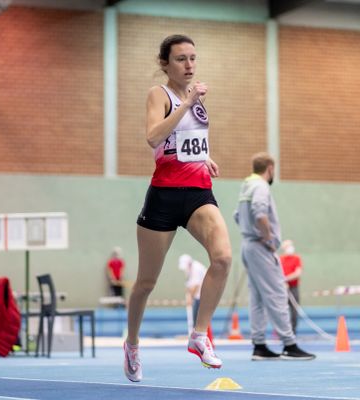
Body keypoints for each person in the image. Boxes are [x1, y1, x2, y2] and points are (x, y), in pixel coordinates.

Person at [124, 34, 232, 382]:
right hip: (164, 196)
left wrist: (205, 157)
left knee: (223, 258)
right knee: (146, 282)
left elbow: (184, 140)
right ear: (165, 64)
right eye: (182, 59)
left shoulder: (196, 99)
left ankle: (199, 336)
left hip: (198, 192)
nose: (189, 65)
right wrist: (186, 103)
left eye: (193, 58)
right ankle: (133, 344)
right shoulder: (161, 94)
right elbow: (154, 137)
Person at [234, 152, 315, 361]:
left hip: (248, 245)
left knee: (258, 297)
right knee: (277, 293)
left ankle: (259, 345)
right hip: (260, 248)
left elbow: (237, 216)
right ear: (270, 168)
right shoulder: (261, 186)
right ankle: (289, 344)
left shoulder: (246, 185)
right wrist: (269, 239)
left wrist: (252, 234)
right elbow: (260, 212)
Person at [178, 254, 208, 331]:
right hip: (198, 296)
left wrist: (190, 298)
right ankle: (194, 332)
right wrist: (188, 295)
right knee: (195, 318)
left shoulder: (196, 268)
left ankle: (197, 334)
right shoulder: (189, 270)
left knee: (198, 319)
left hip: (202, 296)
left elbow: (196, 285)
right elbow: (189, 285)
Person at [279, 239, 303, 334]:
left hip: (293, 288)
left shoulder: (296, 258)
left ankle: (292, 331)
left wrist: (286, 279)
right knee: (281, 310)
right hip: (282, 288)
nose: (289, 248)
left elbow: (298, 273)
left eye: (290, 245)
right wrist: (282, 282)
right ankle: (282, 331)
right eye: (287, 246)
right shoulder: (280, 259)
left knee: (294, 310)